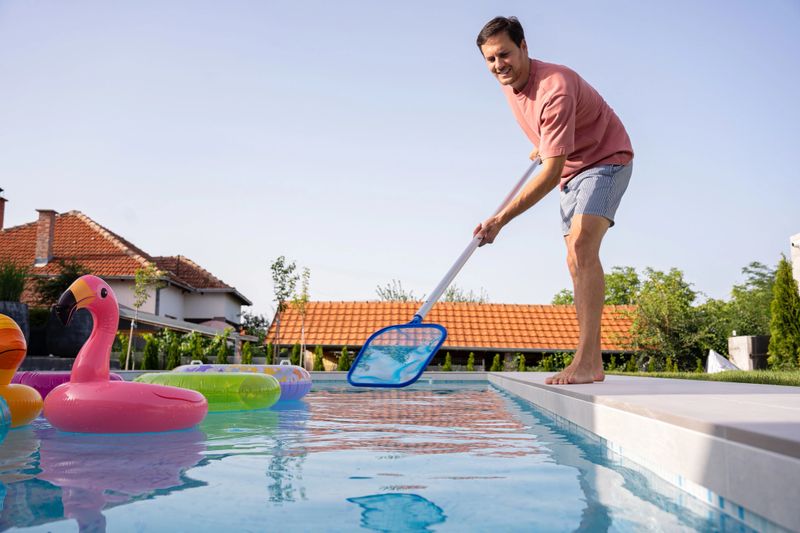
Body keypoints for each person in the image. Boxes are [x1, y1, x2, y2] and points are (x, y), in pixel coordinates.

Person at [473, 16, 634, 385]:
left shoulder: (554, 86)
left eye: (505, 54)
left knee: (581, 245)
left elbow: (549, 171)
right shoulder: (509, 83)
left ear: (524, 46)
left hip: (605, 159)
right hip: (570, 170)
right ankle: (587, 358)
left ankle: (589, 360)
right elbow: (551, 137)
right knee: (574, 261)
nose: (499, 65)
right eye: (490, 59)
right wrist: (545, 142)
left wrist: (500, 220)